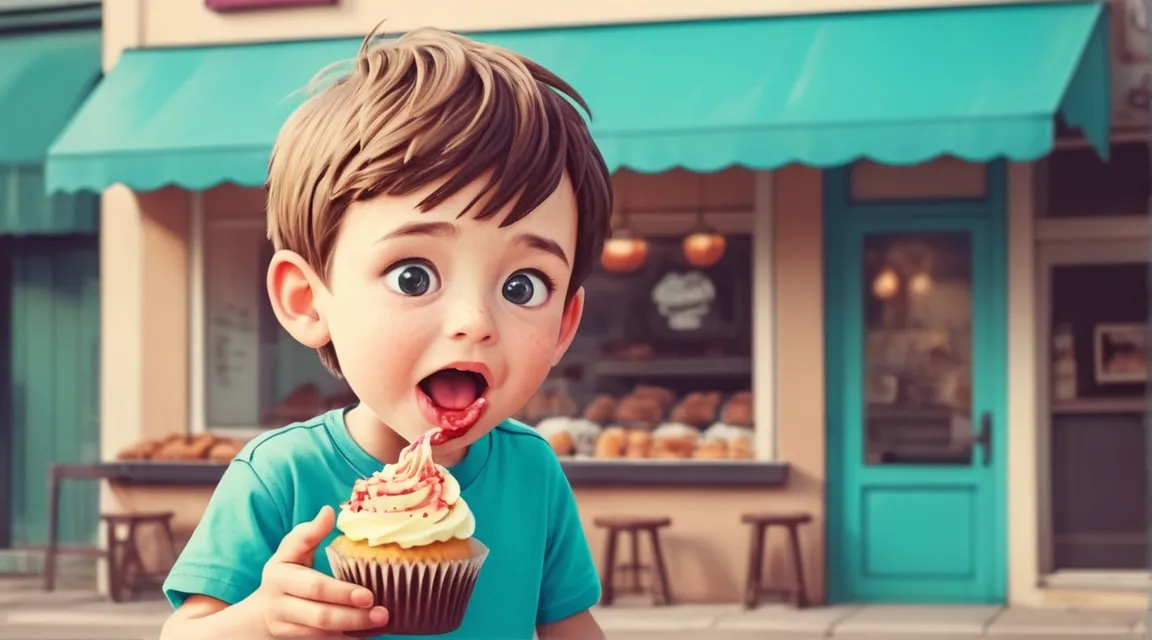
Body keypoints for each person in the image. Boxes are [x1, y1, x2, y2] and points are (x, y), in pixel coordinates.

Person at [158, 24, 612, 640]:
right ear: (308, 301)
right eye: (413, 275)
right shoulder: (279, 475)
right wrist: (260, 619)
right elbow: (184, 633)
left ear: (563, 325)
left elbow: (570, 625)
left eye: (522, 286)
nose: (474, 324)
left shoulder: (532, 472)